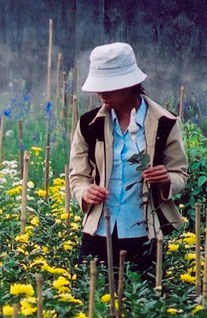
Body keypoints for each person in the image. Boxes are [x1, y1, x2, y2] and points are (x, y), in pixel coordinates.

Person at [68, 42, 187, 275]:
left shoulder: (165, 123)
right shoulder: (89, 124)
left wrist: (166, 180)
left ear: (130, 85)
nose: (101, 94)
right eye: (99, 87)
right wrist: (85, 192)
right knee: (91, 300)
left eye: (108, 87)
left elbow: (179, 173)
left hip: (145, 232)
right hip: (98, 231)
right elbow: (78, 176)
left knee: (144, 301)